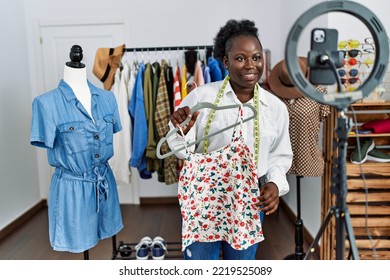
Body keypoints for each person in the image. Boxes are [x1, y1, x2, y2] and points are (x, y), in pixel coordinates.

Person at [166, 19, 293, 260]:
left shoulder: (275, 108)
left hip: (249, 198)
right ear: (225, 62)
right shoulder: (200, 97)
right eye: (240, 58)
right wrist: (181, 129)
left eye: (256, 57)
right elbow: (179, 149)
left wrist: (275, 184)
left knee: (242, 264)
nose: (251, 65)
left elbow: (280, 154)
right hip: (203, 197)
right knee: (200, 265)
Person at [30, 45, 123, 254]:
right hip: (72, 189)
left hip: (104, 183)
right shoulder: (45, 104)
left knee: (108, 235)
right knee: (83, 247)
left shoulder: (108, 99)